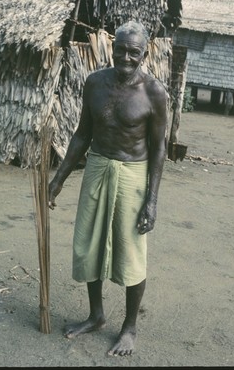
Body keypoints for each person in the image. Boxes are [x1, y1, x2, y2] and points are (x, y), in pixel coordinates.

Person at [48, 20, 168, 356]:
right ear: (111, 47)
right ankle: (96, 315)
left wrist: (151, 202)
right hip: (97, 168)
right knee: (90, 245)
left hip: (132, 174)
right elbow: (82, 135)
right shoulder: (95, 83)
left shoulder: (154, 93)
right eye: (121, 49)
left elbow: (159, 150)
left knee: (131, 254)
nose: (126, 57)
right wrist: (58, 179)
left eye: (134, 52)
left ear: (144, 54)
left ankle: (129, 327)